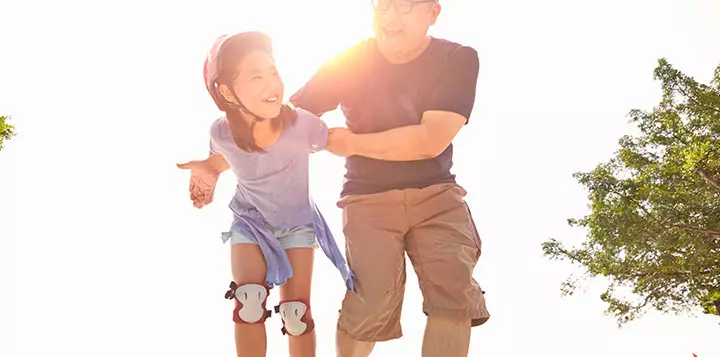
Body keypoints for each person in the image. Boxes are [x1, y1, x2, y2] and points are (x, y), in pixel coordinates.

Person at [288, 0, 490, 356]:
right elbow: (283, 123)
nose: (391, 17)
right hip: (368, 201)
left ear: (433, 13)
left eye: (405, 7)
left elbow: (429, 140)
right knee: (370, 303)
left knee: (453, 291)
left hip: (437, 197)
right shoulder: (348, 63)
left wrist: (351, 143)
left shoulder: (457, 59)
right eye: (383, 7)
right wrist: (217, 163)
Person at [177, 31, 353, 357]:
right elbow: (228, 158)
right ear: (227, 91)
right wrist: (208, 168)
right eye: (257, 76)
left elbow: (335, 140)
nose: (272, 83)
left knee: (295, 314)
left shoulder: (302, 125)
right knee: (249, 300)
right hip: (250, 222)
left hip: (297, 225)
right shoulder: (221, 132)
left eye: (273, 72)